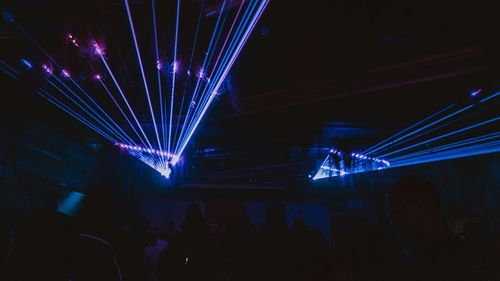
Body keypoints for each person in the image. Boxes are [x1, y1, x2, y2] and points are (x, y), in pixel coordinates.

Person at [386, 175, 479, 281]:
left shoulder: (433, 263)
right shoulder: (465, 251)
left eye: (394, 213)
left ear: (415, 207)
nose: (392, 222)